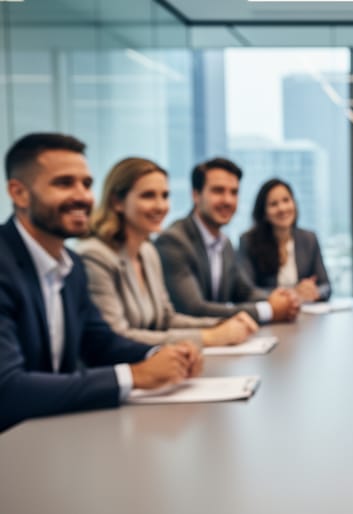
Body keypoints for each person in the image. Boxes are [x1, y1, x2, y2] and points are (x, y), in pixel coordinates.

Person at [0, 133, 203, 432]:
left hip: (47, 431)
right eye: (64, 183)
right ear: (19, 193)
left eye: (86, 184)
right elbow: (7, 389)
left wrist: (161, 355)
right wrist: (135, 376)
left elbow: (100, 343)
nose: (83, 196)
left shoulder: (71, 265)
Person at [78, 157, 258, 347]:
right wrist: (208, 337)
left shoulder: (147, 252)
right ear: (117, 202)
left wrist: (221, 324)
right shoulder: (96, 256)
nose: (160, 206)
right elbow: (116, 336)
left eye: (164, 196)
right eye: (148, 196)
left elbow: (166, 319)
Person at [155, 157, 299, 323]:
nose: (228, 200)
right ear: (196, 195)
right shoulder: (174, 241)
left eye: (234, 192)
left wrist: (282, 299)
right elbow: (194, 309)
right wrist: (268, 310)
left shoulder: (224, 243)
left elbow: (244, 292)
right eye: (218, 191)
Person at [238, 178, 331, 303]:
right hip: (270, 311)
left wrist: (314, 292)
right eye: (273, 204)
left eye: (286, 200)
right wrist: (291, 294)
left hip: (305, 311)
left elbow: (326, 286)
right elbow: (246, 291)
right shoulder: (248, 241)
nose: (282, 208)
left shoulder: (309, 239)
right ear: (264, 213)